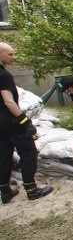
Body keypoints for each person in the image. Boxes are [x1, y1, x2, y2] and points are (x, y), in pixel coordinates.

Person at [0, 42, 53, 203]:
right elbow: (9, 102)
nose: (13, 58)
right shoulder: (4, 76)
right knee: (28, 152)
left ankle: (5, 191)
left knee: (3, 155)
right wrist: (25, 121)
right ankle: (31, 189)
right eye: (10, 54)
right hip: (11, 121)